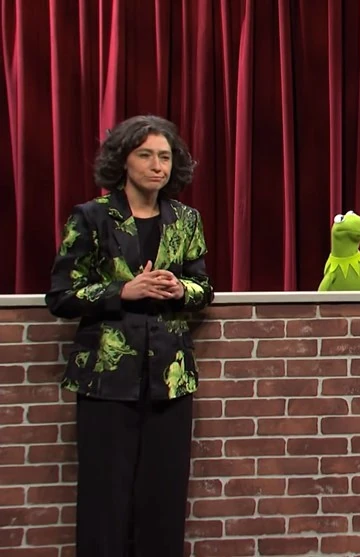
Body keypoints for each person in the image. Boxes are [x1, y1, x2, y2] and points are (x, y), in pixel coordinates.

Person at [46, 114, 214, 557]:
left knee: (164, 496)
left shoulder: (186, 219)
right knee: (105, 496)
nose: (157, 166)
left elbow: (204, 287)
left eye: (165, 157)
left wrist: (181, 290)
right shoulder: (91, 217)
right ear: (123, 160)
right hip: (106, 380)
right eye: (146, 155)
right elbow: (61, 295)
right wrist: (123, 291)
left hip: (170, 379)